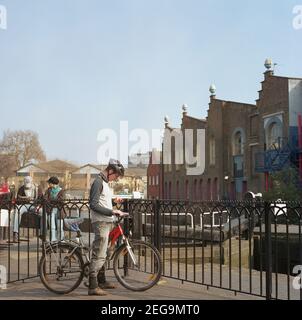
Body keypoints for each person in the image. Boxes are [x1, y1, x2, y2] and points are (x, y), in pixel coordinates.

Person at [88, 159, 128, 296]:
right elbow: (93, 204)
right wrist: (112, 211)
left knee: (104, 253)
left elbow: (102, 201)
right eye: (116, 176)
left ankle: (102, 281)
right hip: (100, 222)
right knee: (99, 254)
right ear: (110, 171)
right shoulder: (98, 182)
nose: (116, 179)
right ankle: (93, 286)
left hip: (106, 221)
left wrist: (113, 202)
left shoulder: (104, 182)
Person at [12, 176, 43, 243]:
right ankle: (15, 233)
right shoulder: (21, 188)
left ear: (32, 182)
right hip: (24, 205)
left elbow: (41, 198)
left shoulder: (37, 188)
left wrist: (38, 205)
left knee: (42, 212)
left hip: (34, 205)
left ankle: (42, 233)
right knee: (17, 211)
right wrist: (24, 199)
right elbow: (18, 200)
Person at [44, 176, 65, 242]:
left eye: (49, 183)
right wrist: (54, 201)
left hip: (59, 210)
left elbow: (62, 200)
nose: (48, 184)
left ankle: (61, 241)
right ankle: (52, 241)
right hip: (50, 209)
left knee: (60, 227)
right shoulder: (48, 190)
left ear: (52, 183)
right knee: (52, 227)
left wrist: (51, 200)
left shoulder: (61, 190)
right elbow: (45, 199)